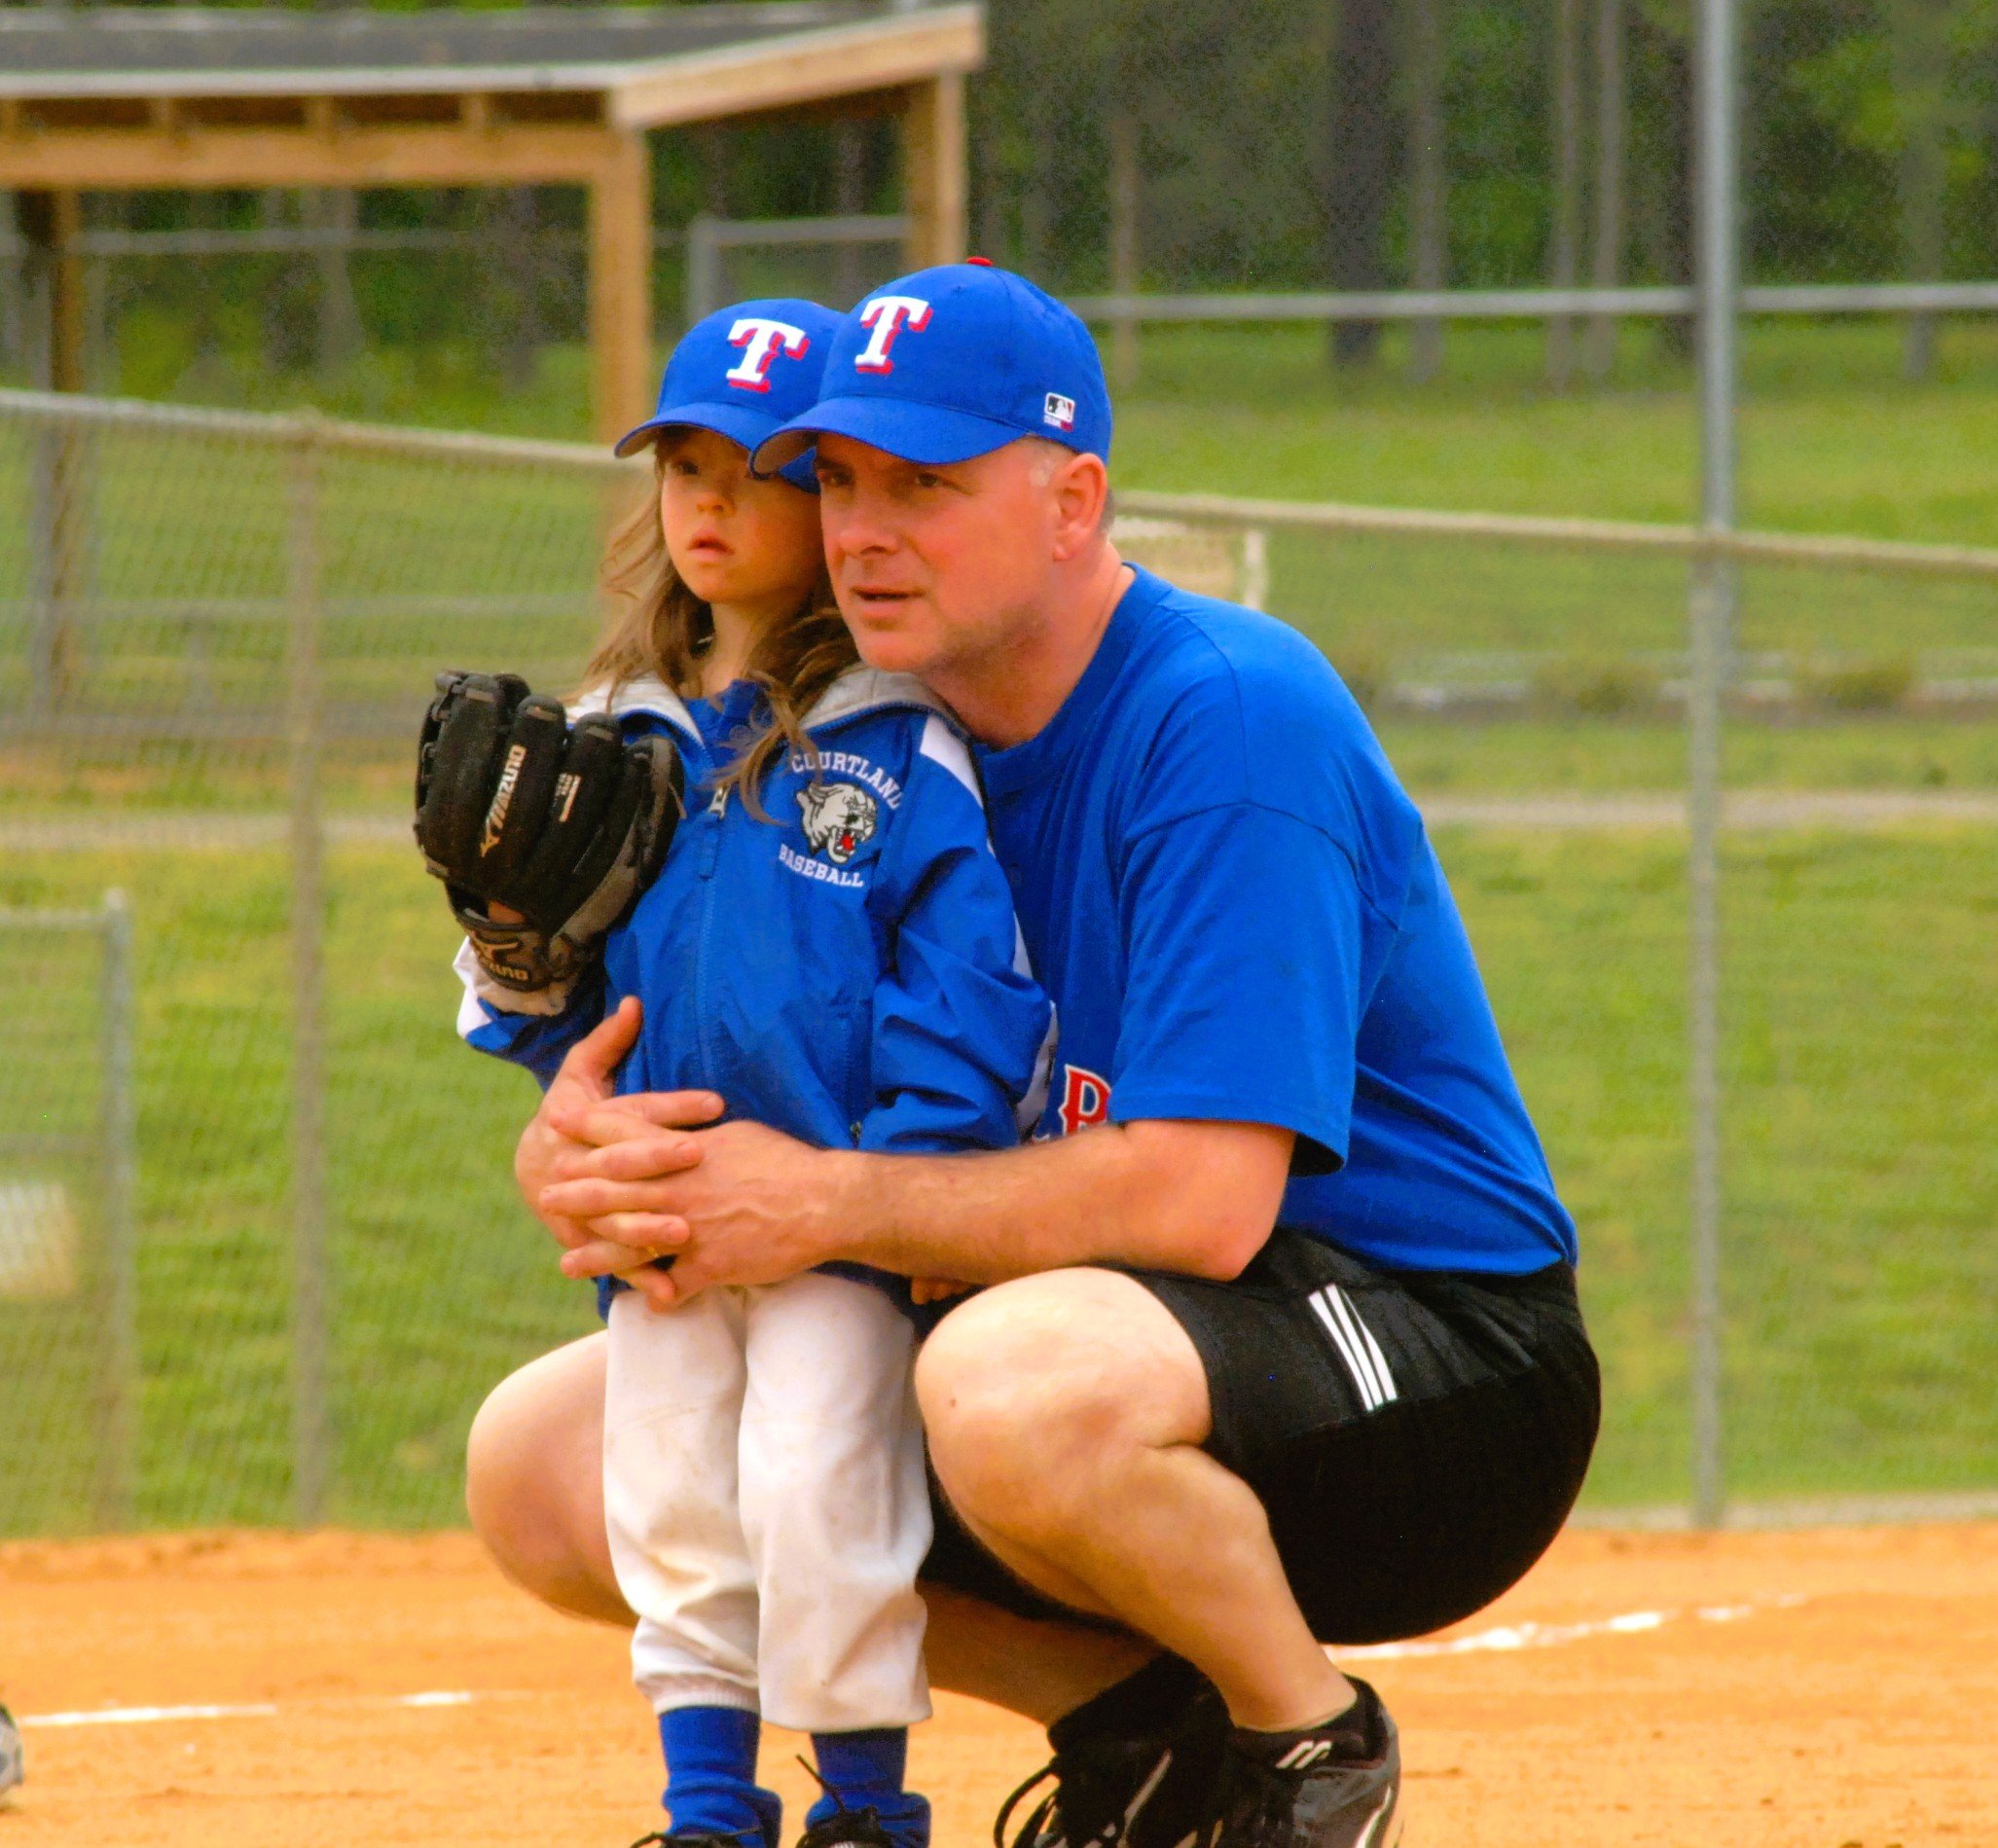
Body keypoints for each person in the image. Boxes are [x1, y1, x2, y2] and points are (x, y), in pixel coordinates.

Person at [474, 264, 1600, 1848]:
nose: (863, 528)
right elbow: (761, 1087)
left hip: (1426, 1357)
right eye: (839, 479)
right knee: (547, 1463)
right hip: (1087, 1330)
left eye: (925, 483)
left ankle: (1303, 1746)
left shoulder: (1222, 718)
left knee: (1006, 1388)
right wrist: (595, 1148)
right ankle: (1135, 1732)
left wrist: (815, 1207)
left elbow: (1204, 1203)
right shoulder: (857, 745)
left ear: (1073, 503)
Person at [450, 297, 1053, 1848]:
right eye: (684, 467)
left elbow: (967, 968)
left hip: (837, 1216)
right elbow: (547, 1015)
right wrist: (515, 960)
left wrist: (899, 1174)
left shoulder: (891, 736)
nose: (711, 504)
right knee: (667, 1501)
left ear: (825, 496)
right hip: (665, 1214)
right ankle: (708, 1811)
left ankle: (865, 1809)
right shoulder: (607, 736)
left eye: (758, 473)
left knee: (811, 1485)